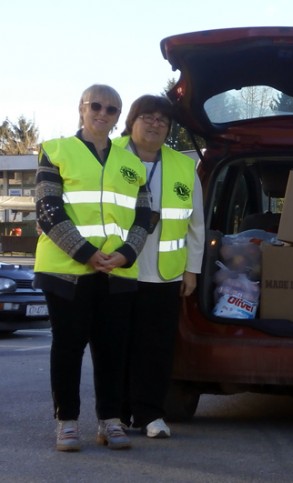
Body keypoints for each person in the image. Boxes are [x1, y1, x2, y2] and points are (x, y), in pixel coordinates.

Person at [34, 84, 150, 452]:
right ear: (81, 108)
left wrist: (127, 254)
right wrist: (85, 253)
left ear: (119, 118)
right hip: (66, 272)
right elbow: (48, 210)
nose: (103, 113)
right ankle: (66, 423)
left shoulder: (132, 164)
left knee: (112, 350)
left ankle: (110, 421)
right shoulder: (56, 151)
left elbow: (145, 216)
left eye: (112, 109)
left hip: (117, 273)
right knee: (68, 348)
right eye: (96, 106)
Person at [114, 95, 205, 439]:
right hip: (117, 270)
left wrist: (192, 270)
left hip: (164, 274)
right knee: (117, 345)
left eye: (162, 120)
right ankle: (118, 414)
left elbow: (197, 224)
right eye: (147, 117)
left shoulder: (183, 166)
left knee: (156, 349)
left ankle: (151, 414)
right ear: (132, 121)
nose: (155, 124)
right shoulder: (108, 157)